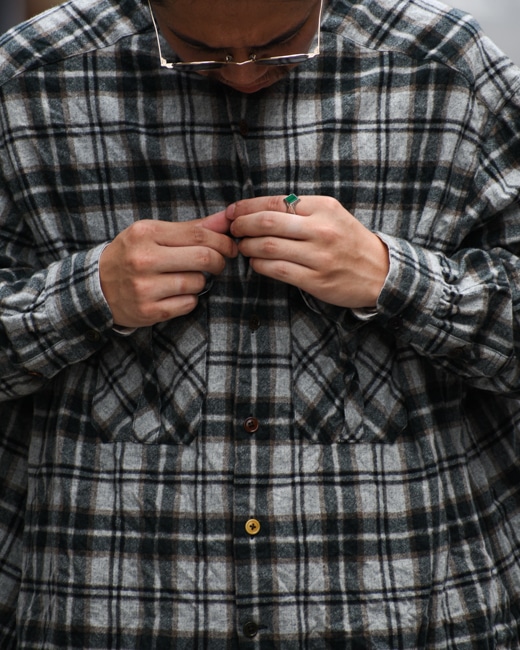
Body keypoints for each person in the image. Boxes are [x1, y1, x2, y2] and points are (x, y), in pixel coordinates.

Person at [1, 0, 520, 645]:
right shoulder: (32, 81)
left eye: (281, 45)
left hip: (416, 610)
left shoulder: (447, 73)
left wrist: (395, 277)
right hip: (99, 615)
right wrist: (83, 297)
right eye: (199, 51)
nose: (244, 75)